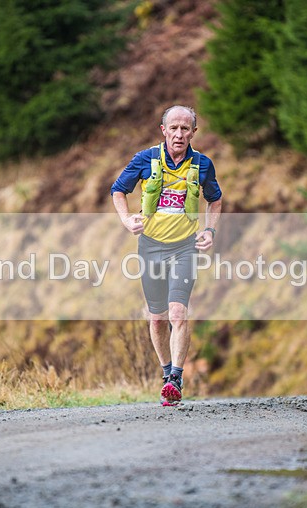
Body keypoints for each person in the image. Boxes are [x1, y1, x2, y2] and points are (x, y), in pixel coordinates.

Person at [111, 105, 222, 406]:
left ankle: (175, 377)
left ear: (193, 132)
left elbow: (215, 200)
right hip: (150, 247)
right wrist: (126, 220)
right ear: (163, 130)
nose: (179, 134)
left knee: (178, 313)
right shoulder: (145, 159)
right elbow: (118, 190)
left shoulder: (202, 165)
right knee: (157, 318)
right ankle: (165, 372)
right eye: (173, 128)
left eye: (185, 129)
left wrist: (209, 232)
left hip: (185, 247)